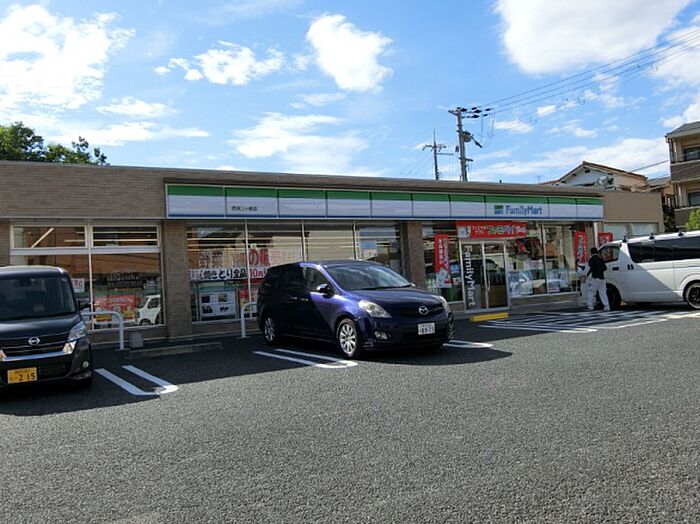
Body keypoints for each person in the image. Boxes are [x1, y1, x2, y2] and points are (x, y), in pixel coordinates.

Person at [587, 247, 610, 311]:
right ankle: (607, 306)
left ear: (591, 253)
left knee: (591, 292)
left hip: (595, 278)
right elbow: (605, 268)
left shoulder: (591, 259)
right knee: (603, 293)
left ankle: (590, 306)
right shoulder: (600, 259)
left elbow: (590, 268)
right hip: (602, 278)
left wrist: (588, 274)